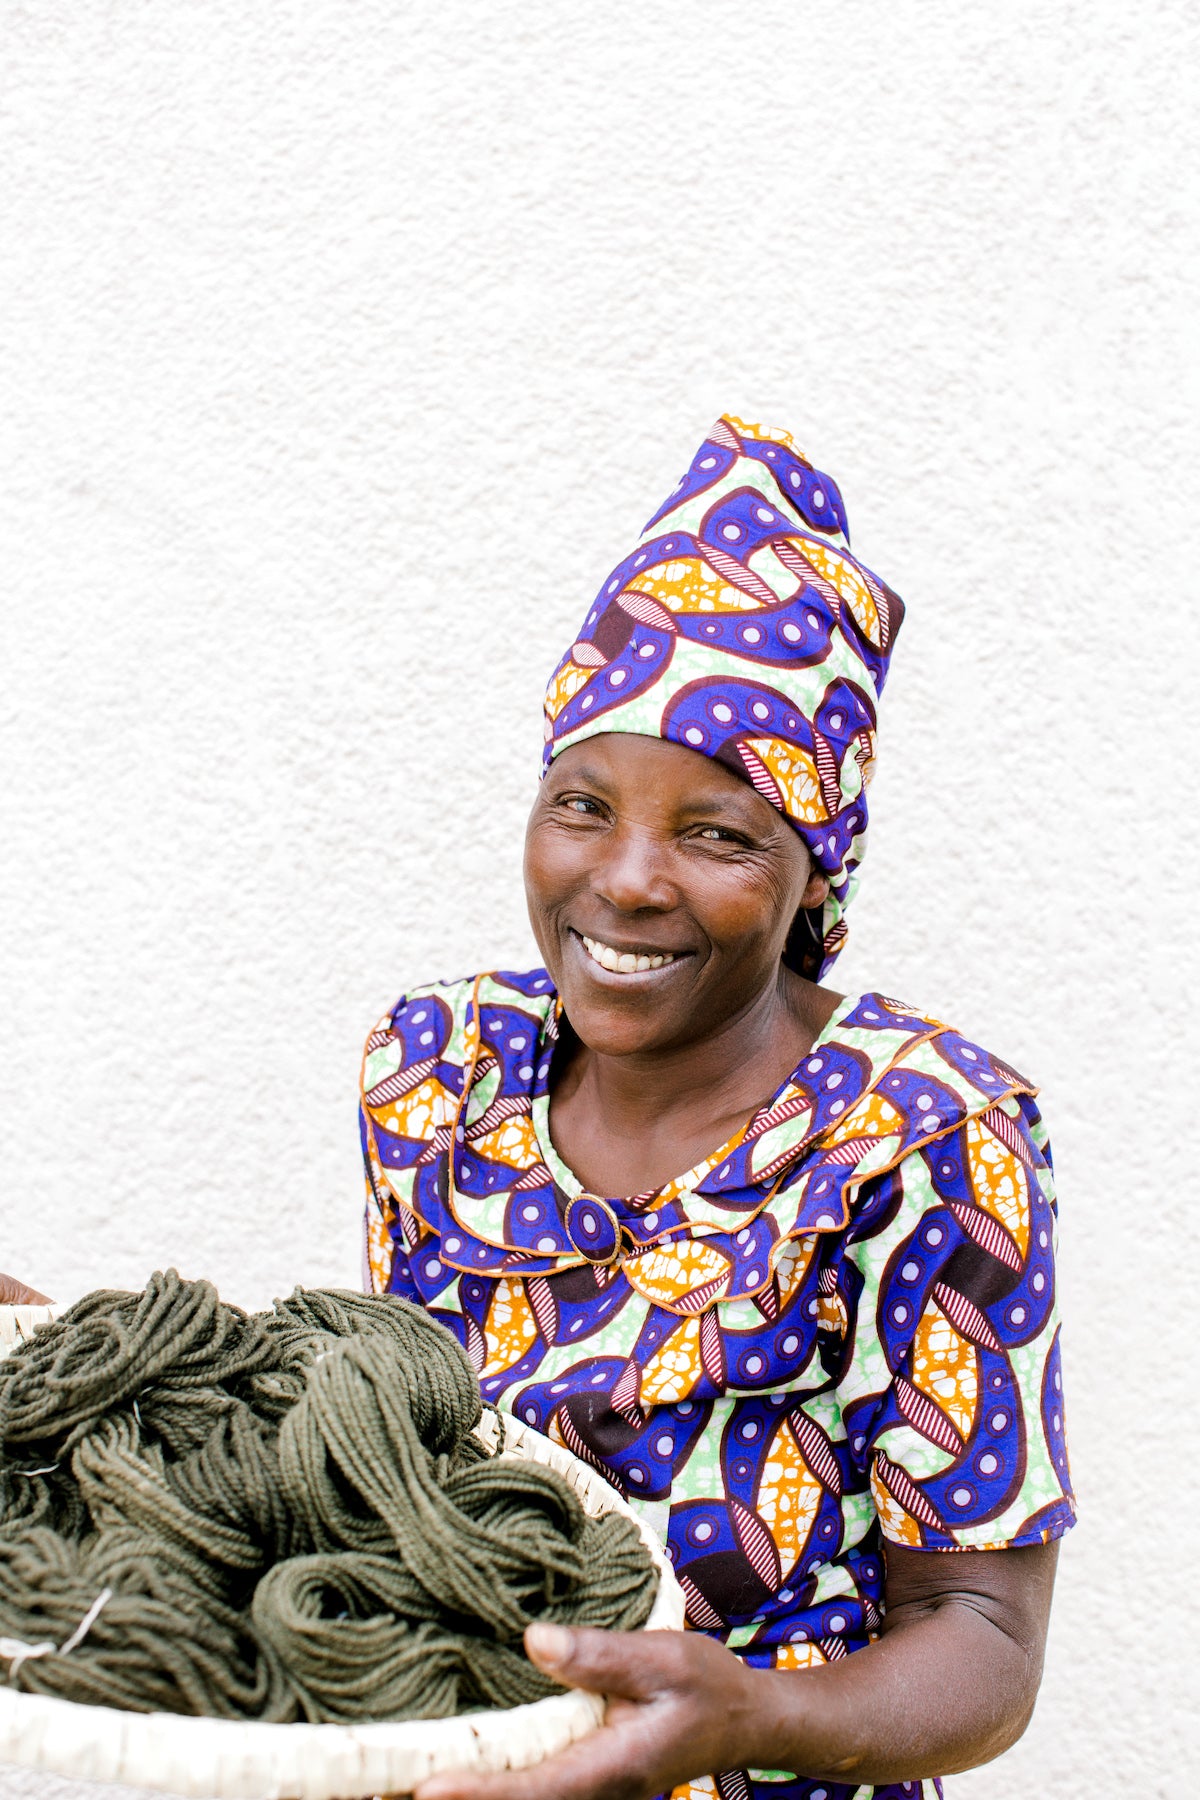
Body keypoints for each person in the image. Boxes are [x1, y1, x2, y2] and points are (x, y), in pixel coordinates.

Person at [358, 415, 1075, 1800]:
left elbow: (985, 1641)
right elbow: (396, 1460)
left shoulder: (921, 1131)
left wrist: (747, 1715)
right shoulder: (437, 1068)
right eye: (583, 805)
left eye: (716, 832)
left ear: (816, 877)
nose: (625, 880)